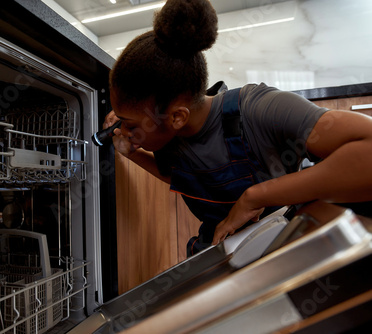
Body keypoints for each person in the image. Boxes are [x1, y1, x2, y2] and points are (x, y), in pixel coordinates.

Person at [104, 0, 372, 256]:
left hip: (287, 241)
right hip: (227, 248)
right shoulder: (170, 137)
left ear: (177, 117)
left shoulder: (259, 109)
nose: (122, 129)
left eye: (129, 123)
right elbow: (183, 178)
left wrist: (254, 197)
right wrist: (133, 153)